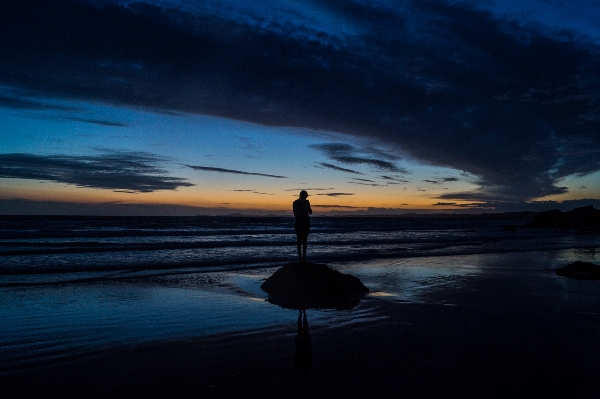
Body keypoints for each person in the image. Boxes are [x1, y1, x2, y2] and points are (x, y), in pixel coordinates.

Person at [293, 190, 312, 262]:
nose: (305, 198)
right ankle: (299, 257)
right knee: (299, 240)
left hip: (306, 222)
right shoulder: (295, 202)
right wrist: (302, 209)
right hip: (299, 222)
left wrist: (307, 207)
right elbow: (295, 214)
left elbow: (310, 212)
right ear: (301, 195)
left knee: (305, 240)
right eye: (305, 196)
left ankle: (303, 256)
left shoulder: (307, 202)